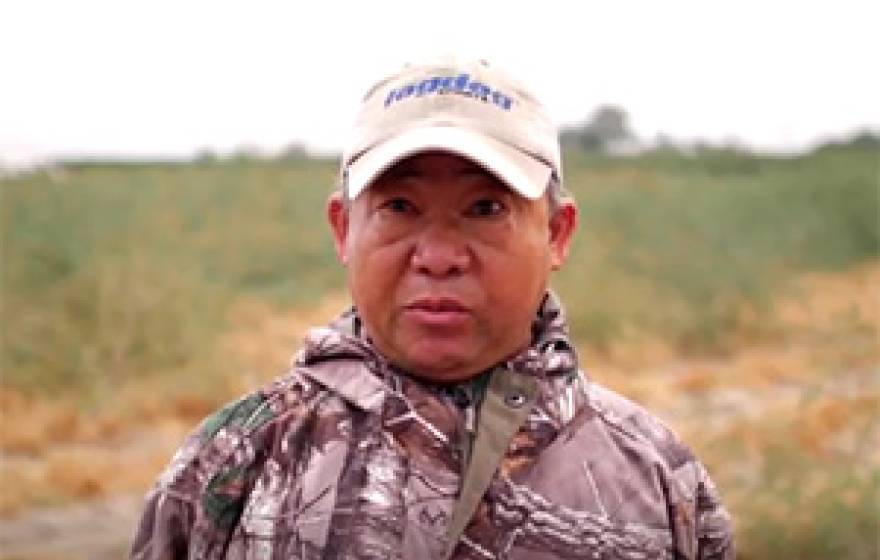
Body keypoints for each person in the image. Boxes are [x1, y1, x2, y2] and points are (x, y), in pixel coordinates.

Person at [131, 56, 734, 559]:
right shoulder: (238, 458)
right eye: (399, 207)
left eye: (485, 209)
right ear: (343, 229)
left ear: (557, 233)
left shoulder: (655, 476)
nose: (440, 256)